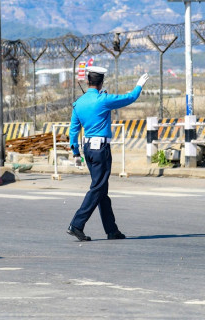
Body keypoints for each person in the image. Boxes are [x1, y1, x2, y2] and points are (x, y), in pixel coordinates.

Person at [67, 66, 149, 241]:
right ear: (101, 82)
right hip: (100, 149)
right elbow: (130, 98)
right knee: (97, 188)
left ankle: (112, 230)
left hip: (87, 149)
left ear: (88, 82)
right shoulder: (103, 100)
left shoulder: (78, 103)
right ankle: (77, 224)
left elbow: (73, 131)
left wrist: (75, 153)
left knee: (102, 190)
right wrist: (139, 85)